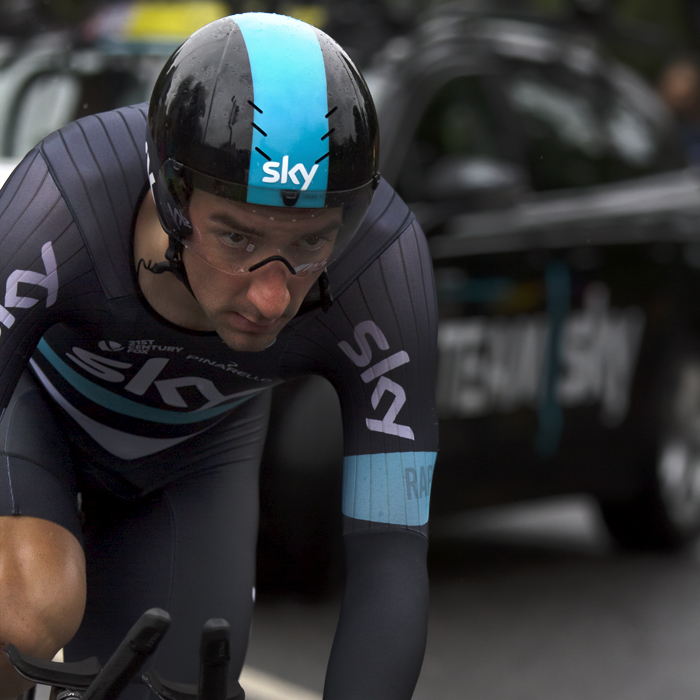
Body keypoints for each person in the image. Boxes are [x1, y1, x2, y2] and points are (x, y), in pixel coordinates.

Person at [0, 12, 438, 700]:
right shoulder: (60, 205)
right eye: (236, 238)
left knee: (173, 688)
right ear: (172, 197)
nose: (270, 298)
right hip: (33, 413)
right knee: (30, 602)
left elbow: (391, 554)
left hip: (198, 453)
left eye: (309, 245)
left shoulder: (382, 266)